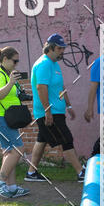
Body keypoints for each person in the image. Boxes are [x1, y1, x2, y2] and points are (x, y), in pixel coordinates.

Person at [25, 33, 84, 183]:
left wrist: (68, 104)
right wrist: (47, 111)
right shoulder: (44, 63)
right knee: (66, 139)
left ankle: (31, 173)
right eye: (59, 48)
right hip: (49, 112)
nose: (62, 51)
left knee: (42, 140)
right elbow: (41, 88)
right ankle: (80, 172)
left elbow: (60, 86)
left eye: (63, 48)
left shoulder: (54, 64)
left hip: (57, 110)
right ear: (50, 48)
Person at [0, 46, 30, 199]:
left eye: (18, 61)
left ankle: (12, 188)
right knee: (18, 148)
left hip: (5, 117)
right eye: (14, 61)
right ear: (4, 59)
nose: (16, 64)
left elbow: (13, 95)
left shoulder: (8, 74)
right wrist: (11, 82)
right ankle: (0, 183)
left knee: (10, 151)